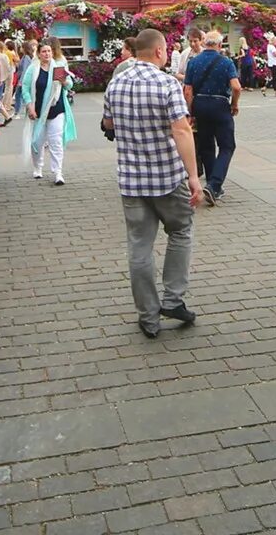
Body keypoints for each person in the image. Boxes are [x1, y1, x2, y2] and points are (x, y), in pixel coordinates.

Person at [105, 28, 204, 339]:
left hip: (131, 180)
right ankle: (173, 300)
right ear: (160, 52)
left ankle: (148, 317)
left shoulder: (116, 83)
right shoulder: (166, 83)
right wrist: (193, 176)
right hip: (167, 178)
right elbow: (182, 130)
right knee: (181, 231)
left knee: (139, 247)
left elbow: (108, 124)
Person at [182, 29, 241, 204]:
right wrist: (234, 104)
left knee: (207, 146)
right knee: (227, 145)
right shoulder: (226, 62)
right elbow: (236, 87)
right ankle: (214, 185)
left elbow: (188, 90)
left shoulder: (194, 61)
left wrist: (191, 112)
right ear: (219, 44)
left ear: (204, 42)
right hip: (220, 105)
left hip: (200, 105)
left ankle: (212, 186)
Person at [25, 37, 75, 185]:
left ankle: (58, 172)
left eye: (49, 51)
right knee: (37, 142)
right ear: (39, 54)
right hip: (39, 110)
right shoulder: (33, 69)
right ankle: (38, 167)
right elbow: (26, 89)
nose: (47, 54)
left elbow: (70, 85)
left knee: (56, 141)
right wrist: (30, 106)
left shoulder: (58, 67)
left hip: (56, 109)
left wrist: (64, 81)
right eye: (43, 51)